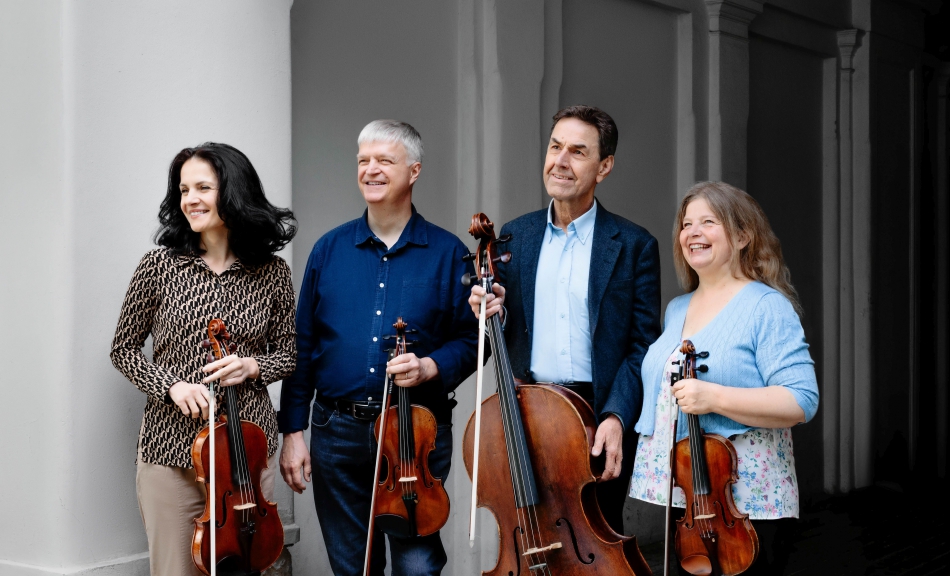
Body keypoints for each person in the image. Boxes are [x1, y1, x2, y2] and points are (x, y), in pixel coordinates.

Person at [278, 120, 478, 576]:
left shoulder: (449, 254)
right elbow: (302, 345)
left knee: (417, 567)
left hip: (415, 431)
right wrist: (293, 433)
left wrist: (430, 366)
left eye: (384, 160)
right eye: (363, 160)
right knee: (353, 568)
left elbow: (474, 339)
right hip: (335, 430)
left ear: (414, 170)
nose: (371, 169)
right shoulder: (328, 251)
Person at [468, 105, 661, 534]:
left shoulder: (633, 245)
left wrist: (617, 417)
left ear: (604, 166)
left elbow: (642, 347)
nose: (560, 161)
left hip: (596, 417)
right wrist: (484, 315)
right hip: (527, 414)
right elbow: (490, 342)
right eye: (555, 147)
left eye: (577, 151)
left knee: (594, 542)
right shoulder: (514, 238)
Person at [110, 143, 298, 576]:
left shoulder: (272, 273)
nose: (190, 199)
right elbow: (123, 349)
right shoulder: (159, 266)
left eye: (203, 187)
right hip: (172, 450)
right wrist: (171, 386)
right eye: (183, 189)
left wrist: (254, 366)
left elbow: (289, 353)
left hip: (247, 456)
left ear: (233, 192)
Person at [628, 181, 820, 574]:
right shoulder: (676, 308)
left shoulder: (766, 306)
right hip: (689, 499)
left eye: (708, 222)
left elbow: (802, 400)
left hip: (747, 504)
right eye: (686, 224)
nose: (692, 232)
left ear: (743, 235)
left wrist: (713, 397)